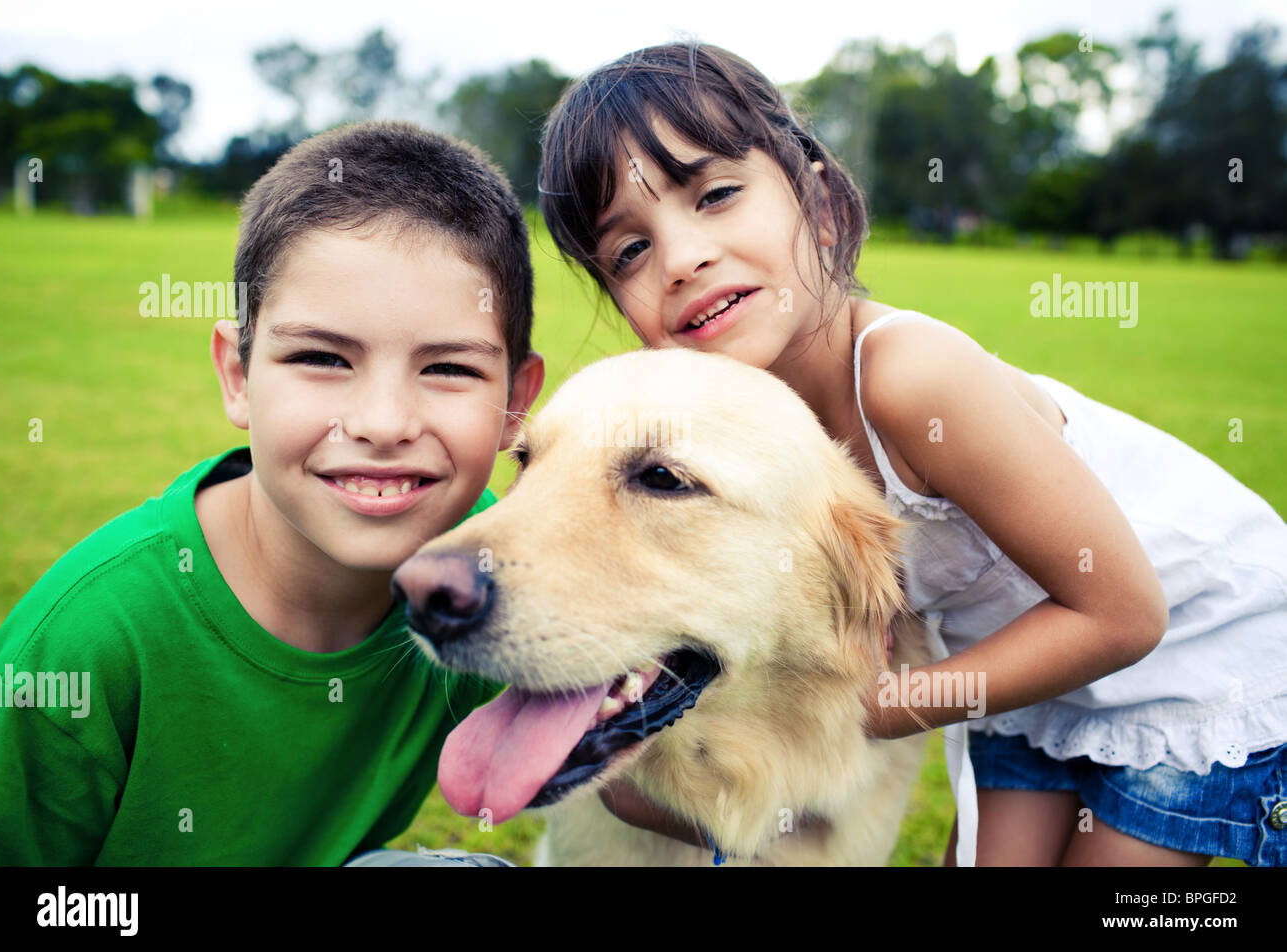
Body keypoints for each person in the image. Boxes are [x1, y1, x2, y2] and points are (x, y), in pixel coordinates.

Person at [535, 41, 1287, 867]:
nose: (681, 259)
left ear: (818, 203)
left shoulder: (907, 377)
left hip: (1185, 652)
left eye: (715, 194)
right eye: (630, 251)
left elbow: (1123, 614)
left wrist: (857, 709)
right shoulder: (738, 434)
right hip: (1029, 670)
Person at [0, 120, 543, 865]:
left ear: (516, 402)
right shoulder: (84, 643)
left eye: (447, 369)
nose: (382, 424)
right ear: (238, 376)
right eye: (321, 357)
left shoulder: (490, 566)